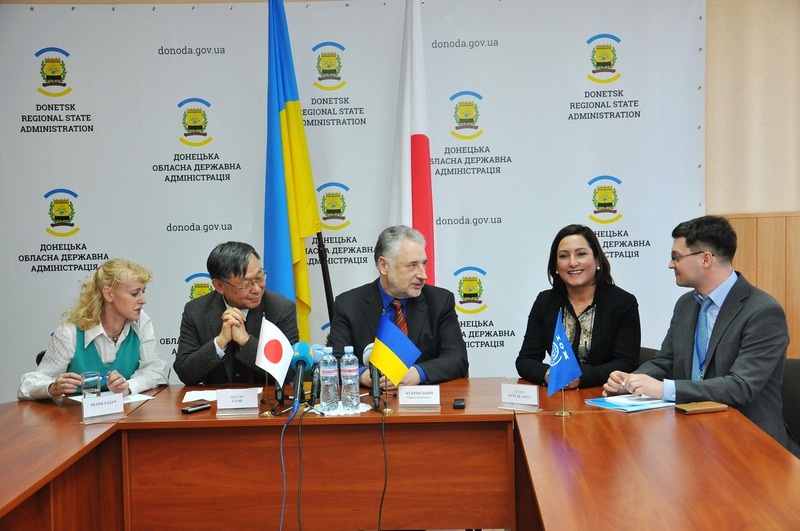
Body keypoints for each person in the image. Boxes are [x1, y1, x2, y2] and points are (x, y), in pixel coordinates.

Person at [603, 215, 798, 454]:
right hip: (691, 434)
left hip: (749, 443)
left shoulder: (763, 312)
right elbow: (667, 360)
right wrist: (631, 381)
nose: (670, 265)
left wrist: (664, 389)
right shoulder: (686, 304)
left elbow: (741, 387)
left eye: (676, 257)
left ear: (705, 259)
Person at [328, 225, 468, 388]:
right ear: (384, 266)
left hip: (424, 404)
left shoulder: (440, 301)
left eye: (423, 264)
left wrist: (417, 373)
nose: (423, 275)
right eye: (412, 265)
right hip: (372, 405)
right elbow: (335, 359)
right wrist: (362, 375)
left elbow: (457, 358)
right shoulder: (349, 304)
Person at [18, 259, 169, 400]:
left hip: (125, 414)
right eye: (135, 293)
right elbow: (27, 386)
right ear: (109, 294)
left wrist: (128, 387)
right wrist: (51, 387)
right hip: (75, 419)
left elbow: (156, 369)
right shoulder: (70, 332)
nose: (143, 300)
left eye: (144, 291)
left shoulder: (141, 321)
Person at [516, 224, 641, 389]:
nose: (572, 263)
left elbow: (626, 364)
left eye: (581, 254)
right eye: (563, 256)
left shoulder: (623, 302)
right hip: (558, 400)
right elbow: (525, 360)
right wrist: (549, 374)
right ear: (556, 265)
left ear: (597, 260)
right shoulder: (545, 301)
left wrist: (579, 378)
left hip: (605, 397)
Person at [174, 241, 299, 385]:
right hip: (215, 405)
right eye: (245, 284)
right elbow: (185, 372)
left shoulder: (280, 309)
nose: (257, 289)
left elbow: (289, 371)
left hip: (265, 403)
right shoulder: (196, 311)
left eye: (259, 277)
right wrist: (219, 342)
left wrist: (246, 341)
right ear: (219, 286)